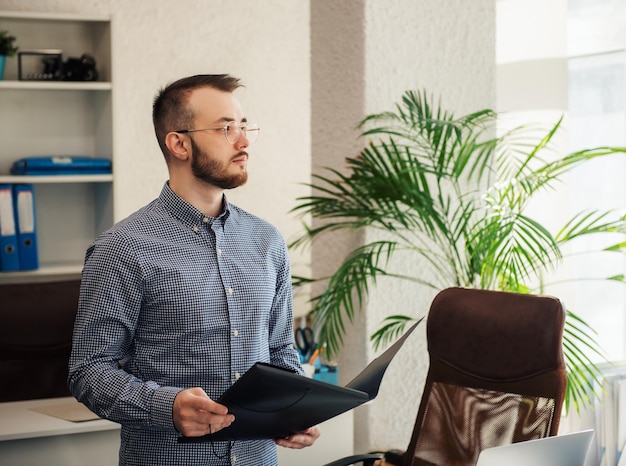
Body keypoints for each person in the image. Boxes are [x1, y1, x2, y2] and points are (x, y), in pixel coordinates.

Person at [68, 74, 320, 466]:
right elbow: (88, 370)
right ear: (179, 143)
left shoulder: (267, 241)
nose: (244, 141)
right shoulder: (122, 248)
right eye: (225, 129)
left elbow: (279, 349)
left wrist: (297, 407)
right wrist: (165, 407)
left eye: (243, 126)